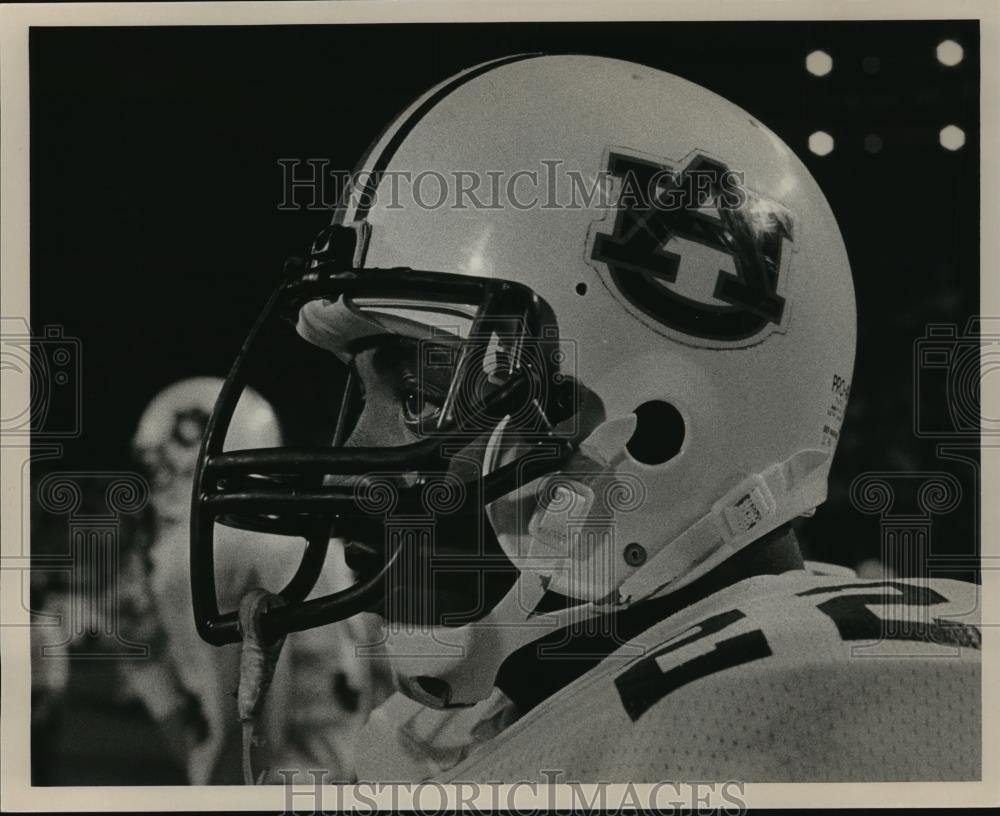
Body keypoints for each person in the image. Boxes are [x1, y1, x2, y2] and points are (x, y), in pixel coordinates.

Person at [190, 55, 981, 782]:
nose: (345, 460)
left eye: (420, 395)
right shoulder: (452, 730)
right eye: (361, 393)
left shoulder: (746, 726)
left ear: (654, 432)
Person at [123, 377, 389, 784]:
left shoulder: (205, 553)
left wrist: (150, 679)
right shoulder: (309, 542)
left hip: (279, 787)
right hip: (350, 776)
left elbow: (240, 732)